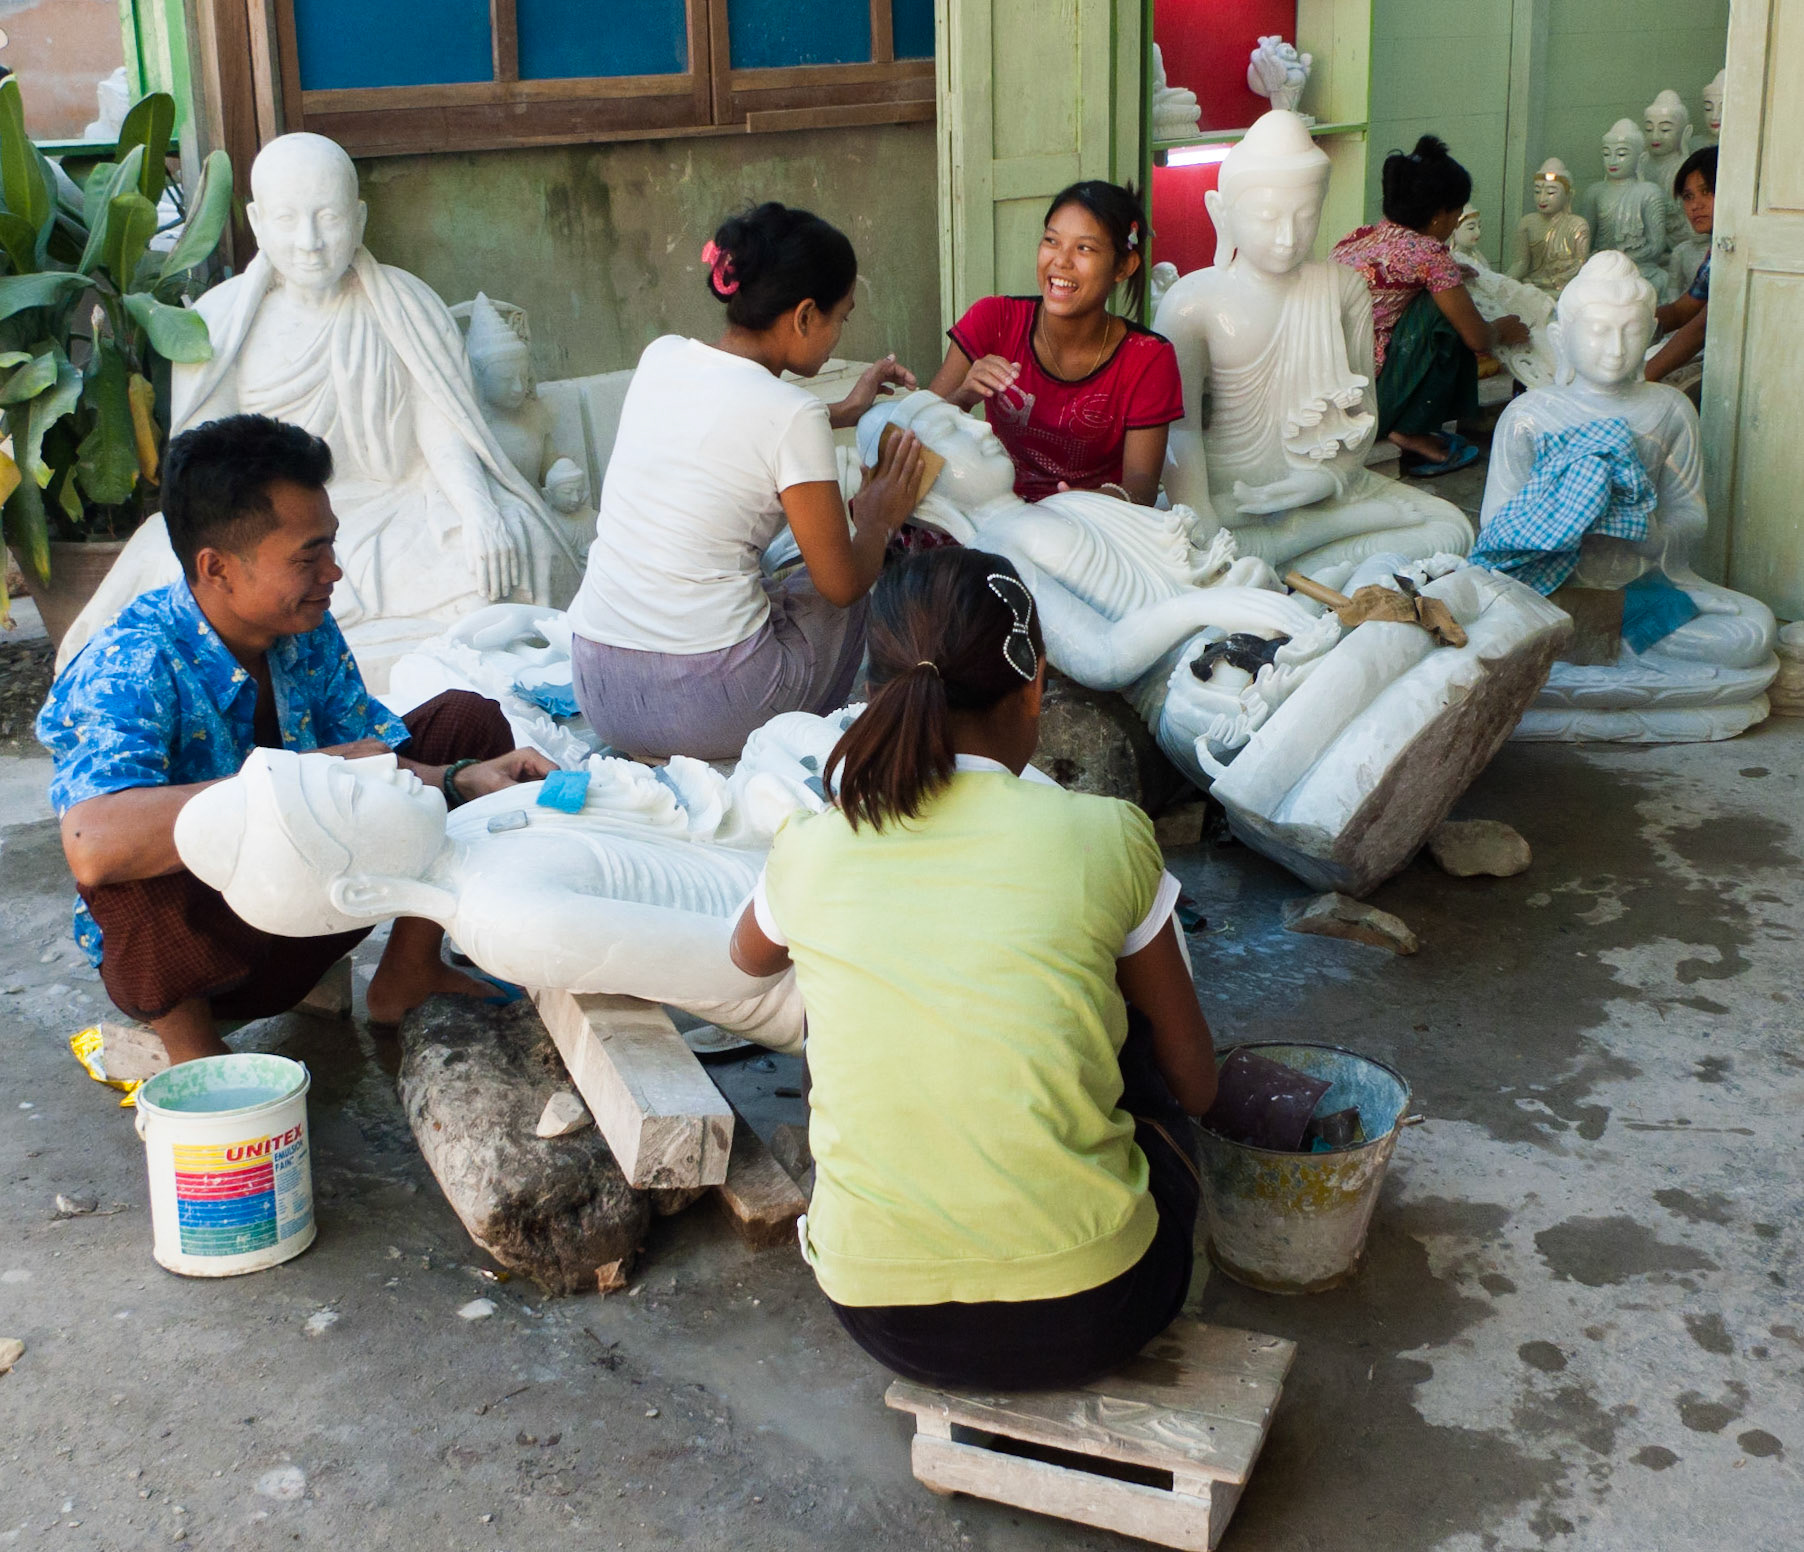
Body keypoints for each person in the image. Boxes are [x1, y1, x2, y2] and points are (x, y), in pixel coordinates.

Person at [730, 549, 1217, 1390]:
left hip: (880, 1315)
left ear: (876, 694)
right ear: (1033, 691)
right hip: (1101, 1308)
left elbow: (747, 959)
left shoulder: (813, 846)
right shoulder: (1103, 834)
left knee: (843, 995)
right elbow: (1199, 1087)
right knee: (1116, 1003)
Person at [36, 416, 555, 1064]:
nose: (333, 571)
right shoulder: (130, 661)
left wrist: (459, 777)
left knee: (467, 725)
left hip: (320, 910)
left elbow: (367, 759)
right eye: (308, 557)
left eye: (330, 546)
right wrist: (299, 776)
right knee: (129, 857)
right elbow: (92, 845)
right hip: (211, 955)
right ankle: (197, 1056)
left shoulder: (304, 624)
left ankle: (406, 975)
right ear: (217, 568)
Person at [566, 202, 924, 761]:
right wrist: (878, 519)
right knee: (841, 583)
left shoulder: (661, 356)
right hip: (709, 708)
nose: (838, 336)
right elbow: (841, 584)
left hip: (600, 686)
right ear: (805, 316)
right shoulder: (790, 417)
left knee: (771, 577)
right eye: (841, 318)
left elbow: (726, 426)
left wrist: (843, 410)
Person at [927, 182, 1183, 505]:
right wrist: (963, 396)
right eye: (1051, 240)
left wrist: (1091, 503)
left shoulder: (1148, 359)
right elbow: (917, 431)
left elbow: (1142, 483)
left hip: (1093, 525)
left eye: (1084, 248)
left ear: (1123, 267)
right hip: (994, 511)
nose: (1060, 261)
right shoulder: (995, 320)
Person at [1333, 136, 1530, 475]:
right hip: (1368, 396)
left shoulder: (1359, 237)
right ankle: (1407, 428)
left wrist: (1450, 273)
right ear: (1440, 215)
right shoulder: (1429, 256)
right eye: (1457, 214)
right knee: (1447, 316)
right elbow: (1478, 339)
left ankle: (1399, 422)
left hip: (1329, 383)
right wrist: (1502, 329)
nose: (1456, 223)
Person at [1647, 147, 1717, 386]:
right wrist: (1629, 321)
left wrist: (1641, 378)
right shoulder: (1715, 251)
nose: (1695, 205)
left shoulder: (1737, 251)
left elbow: (1701, 328)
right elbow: (1682, 310)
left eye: (1706, 192)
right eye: (1688, 197)